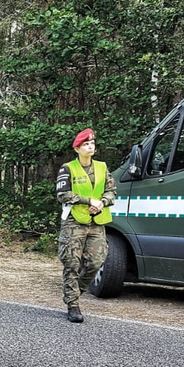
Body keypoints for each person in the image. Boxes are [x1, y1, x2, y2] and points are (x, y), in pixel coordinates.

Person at [55, 127, 116, 323]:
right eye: (86, 144)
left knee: (96, 262)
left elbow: (111, 190)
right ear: (77, 149)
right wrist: (88, 200)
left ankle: (76, 289)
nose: (90, 147)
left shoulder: (102, 167)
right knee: (71, 262)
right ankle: (73, 304)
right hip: (75, 221)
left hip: (97, 221)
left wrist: (102, 202)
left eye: (92, 144)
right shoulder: (68, 168)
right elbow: (62, 194)